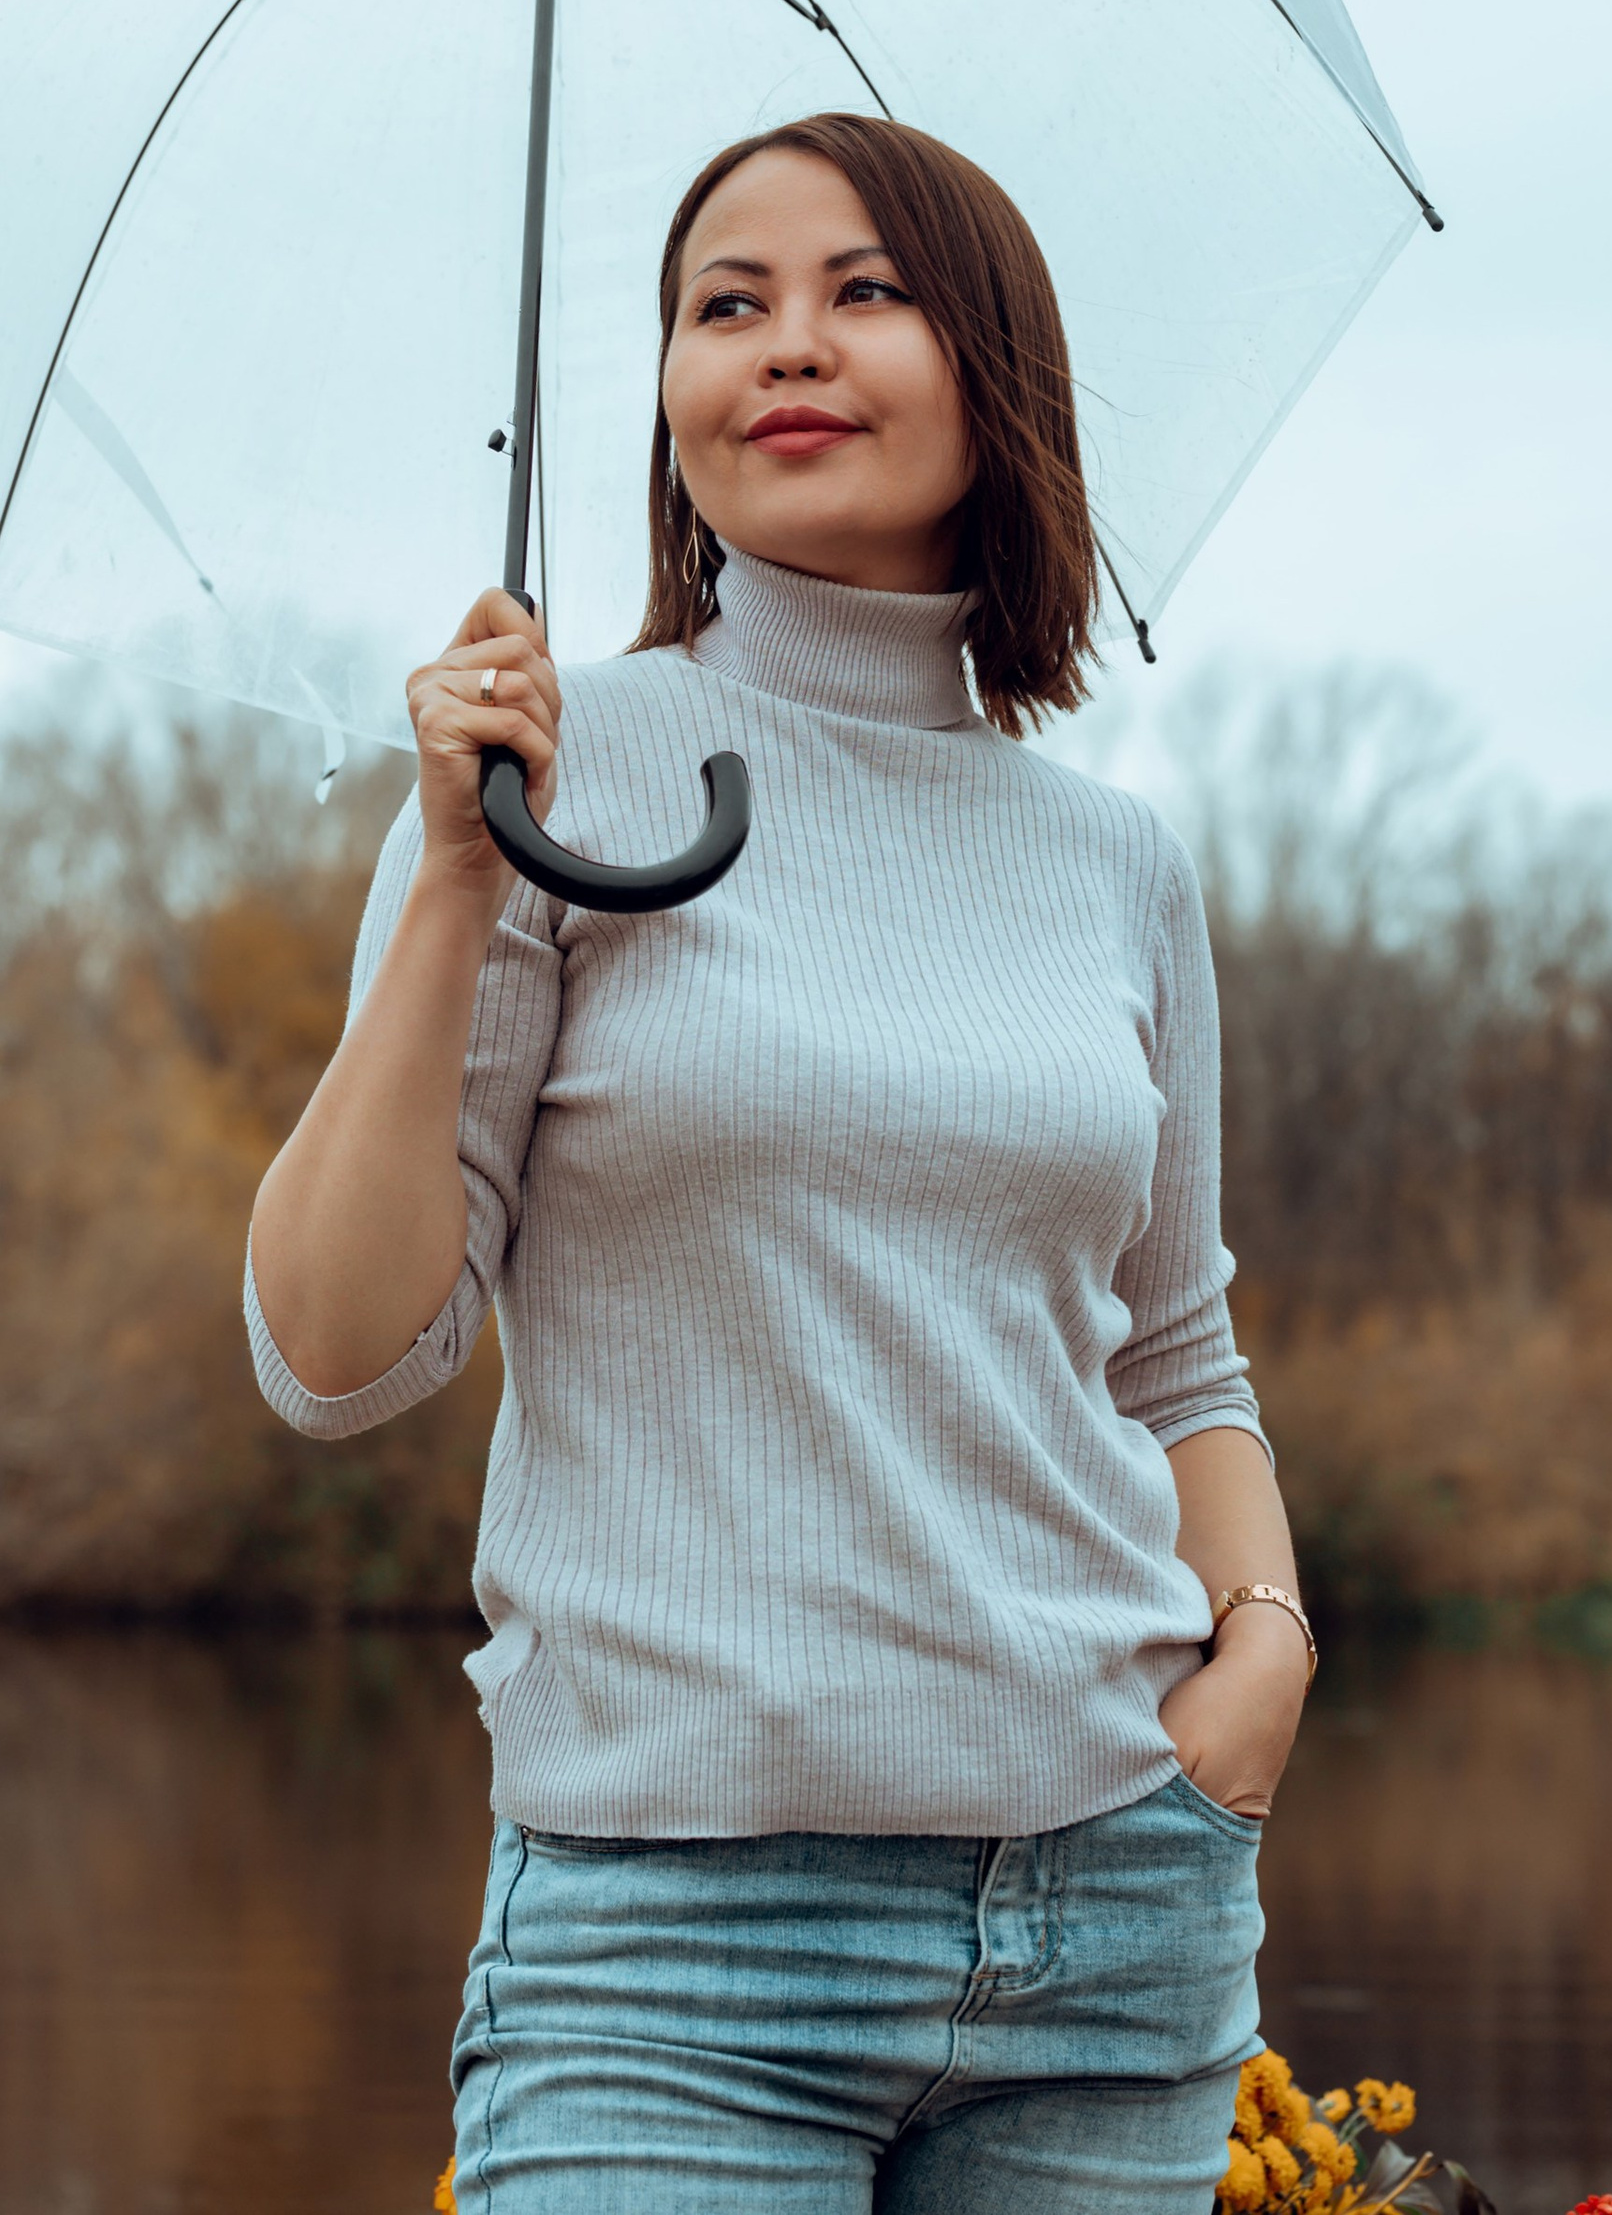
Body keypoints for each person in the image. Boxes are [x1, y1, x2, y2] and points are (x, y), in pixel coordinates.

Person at [247, 113, 1311, 2211]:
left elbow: (1172, 1358)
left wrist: (1259, 1652)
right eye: (721, 306)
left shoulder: (1111, 862)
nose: (781, 347)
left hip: (1112, 1931)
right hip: (662, 1953)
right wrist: (460, 878)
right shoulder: (560, 777)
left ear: (987, 367)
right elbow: (333, 1352)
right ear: (664, 398)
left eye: (860, 292)